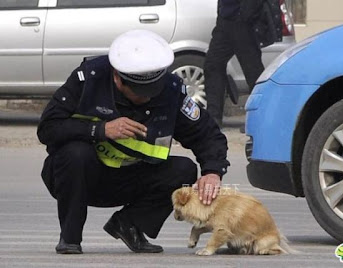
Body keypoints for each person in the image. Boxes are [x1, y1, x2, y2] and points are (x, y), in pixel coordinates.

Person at [37, 30, 230, 254]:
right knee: (74, 153)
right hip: (82, 177)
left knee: (185, 170)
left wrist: (213, 171)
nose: (147, 97)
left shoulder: (170, 90)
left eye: (152, 91)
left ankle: (129, 224)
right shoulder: (88, 80)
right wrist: (101, 129)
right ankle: (69, 238)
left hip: (132, 179)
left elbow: (207, 134)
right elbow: (48, 128)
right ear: (117, 78)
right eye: (139, 92)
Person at [204, 0, 282, 127]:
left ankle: (262, 117)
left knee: (253, 72)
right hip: (225, 20)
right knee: (212, 64)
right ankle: (214, 118)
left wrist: (247, 14)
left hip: (243, 21)